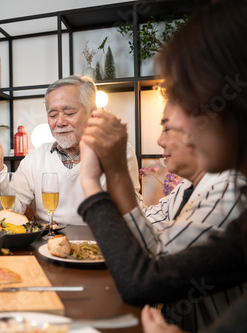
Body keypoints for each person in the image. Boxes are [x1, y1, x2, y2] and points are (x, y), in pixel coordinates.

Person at [78, 0, 247, 332]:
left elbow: (148, 274)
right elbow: (148, 240)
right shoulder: (194, 190)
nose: (176, 125)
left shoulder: (232, 188)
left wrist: (97, 180)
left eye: (185, 98)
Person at [0, 75, 140, 225]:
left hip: (102, 246)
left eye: (69, 112)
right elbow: (6, 214)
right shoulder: (36, 158)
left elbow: (131, 214)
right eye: (52, 115)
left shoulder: (118, 151)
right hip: (47, 246)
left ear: (92, 112)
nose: (59, 122)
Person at [98, 102, 246, 256]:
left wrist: (113, 172)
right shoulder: (185, 187)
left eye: (167, 129)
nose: (160, 141)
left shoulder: (227, 192)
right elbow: (144, 224)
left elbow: (162, 256)